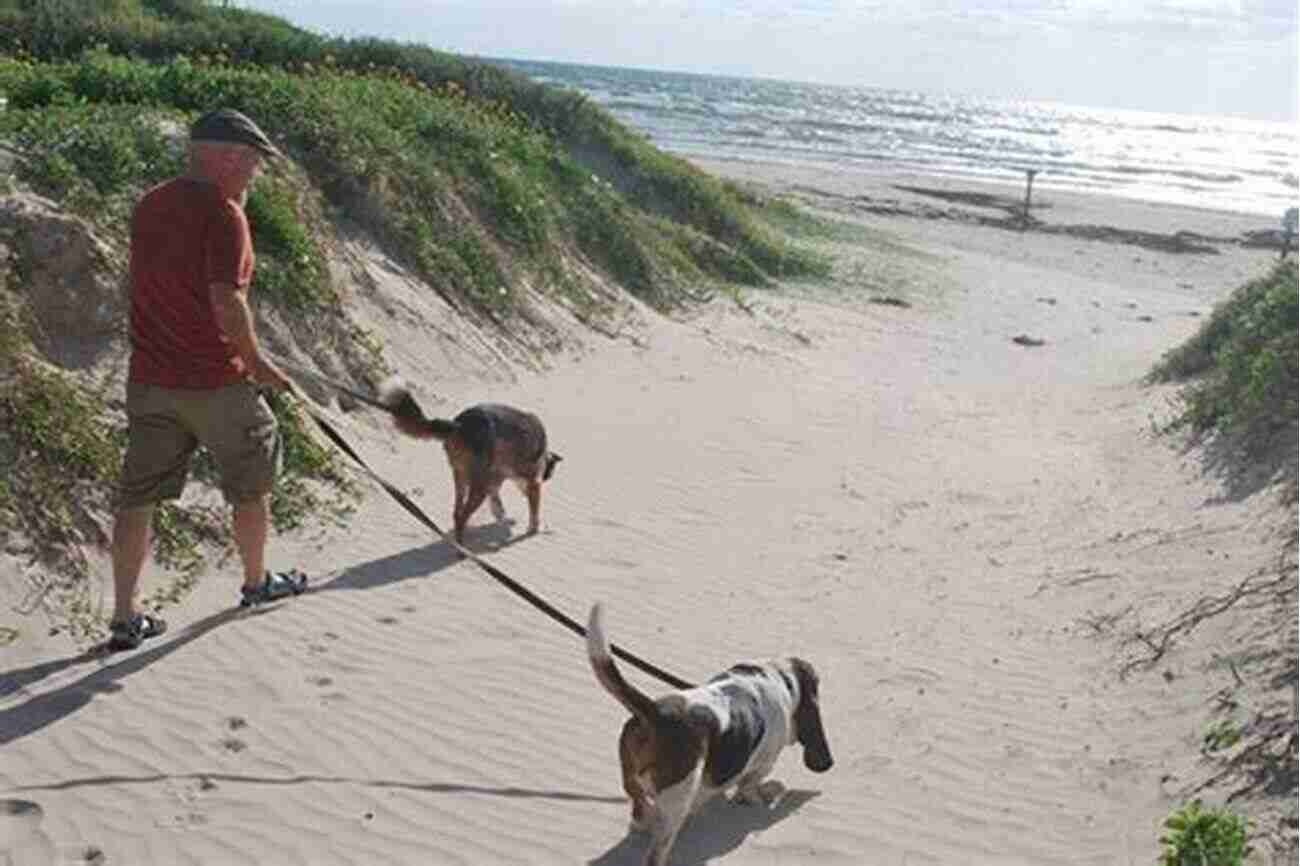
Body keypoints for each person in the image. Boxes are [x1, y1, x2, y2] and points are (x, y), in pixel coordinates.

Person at [108, 109, 306, 651]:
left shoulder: (149, 203)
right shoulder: (225, 214)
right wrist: (259, 365)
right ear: (227, 157)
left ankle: (125, 616)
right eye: (252, 163)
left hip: (150, 380)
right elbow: (226, 299)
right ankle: (256, 581)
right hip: (216, 381)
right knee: (251, 480)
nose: (254, 174)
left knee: (138, 496)